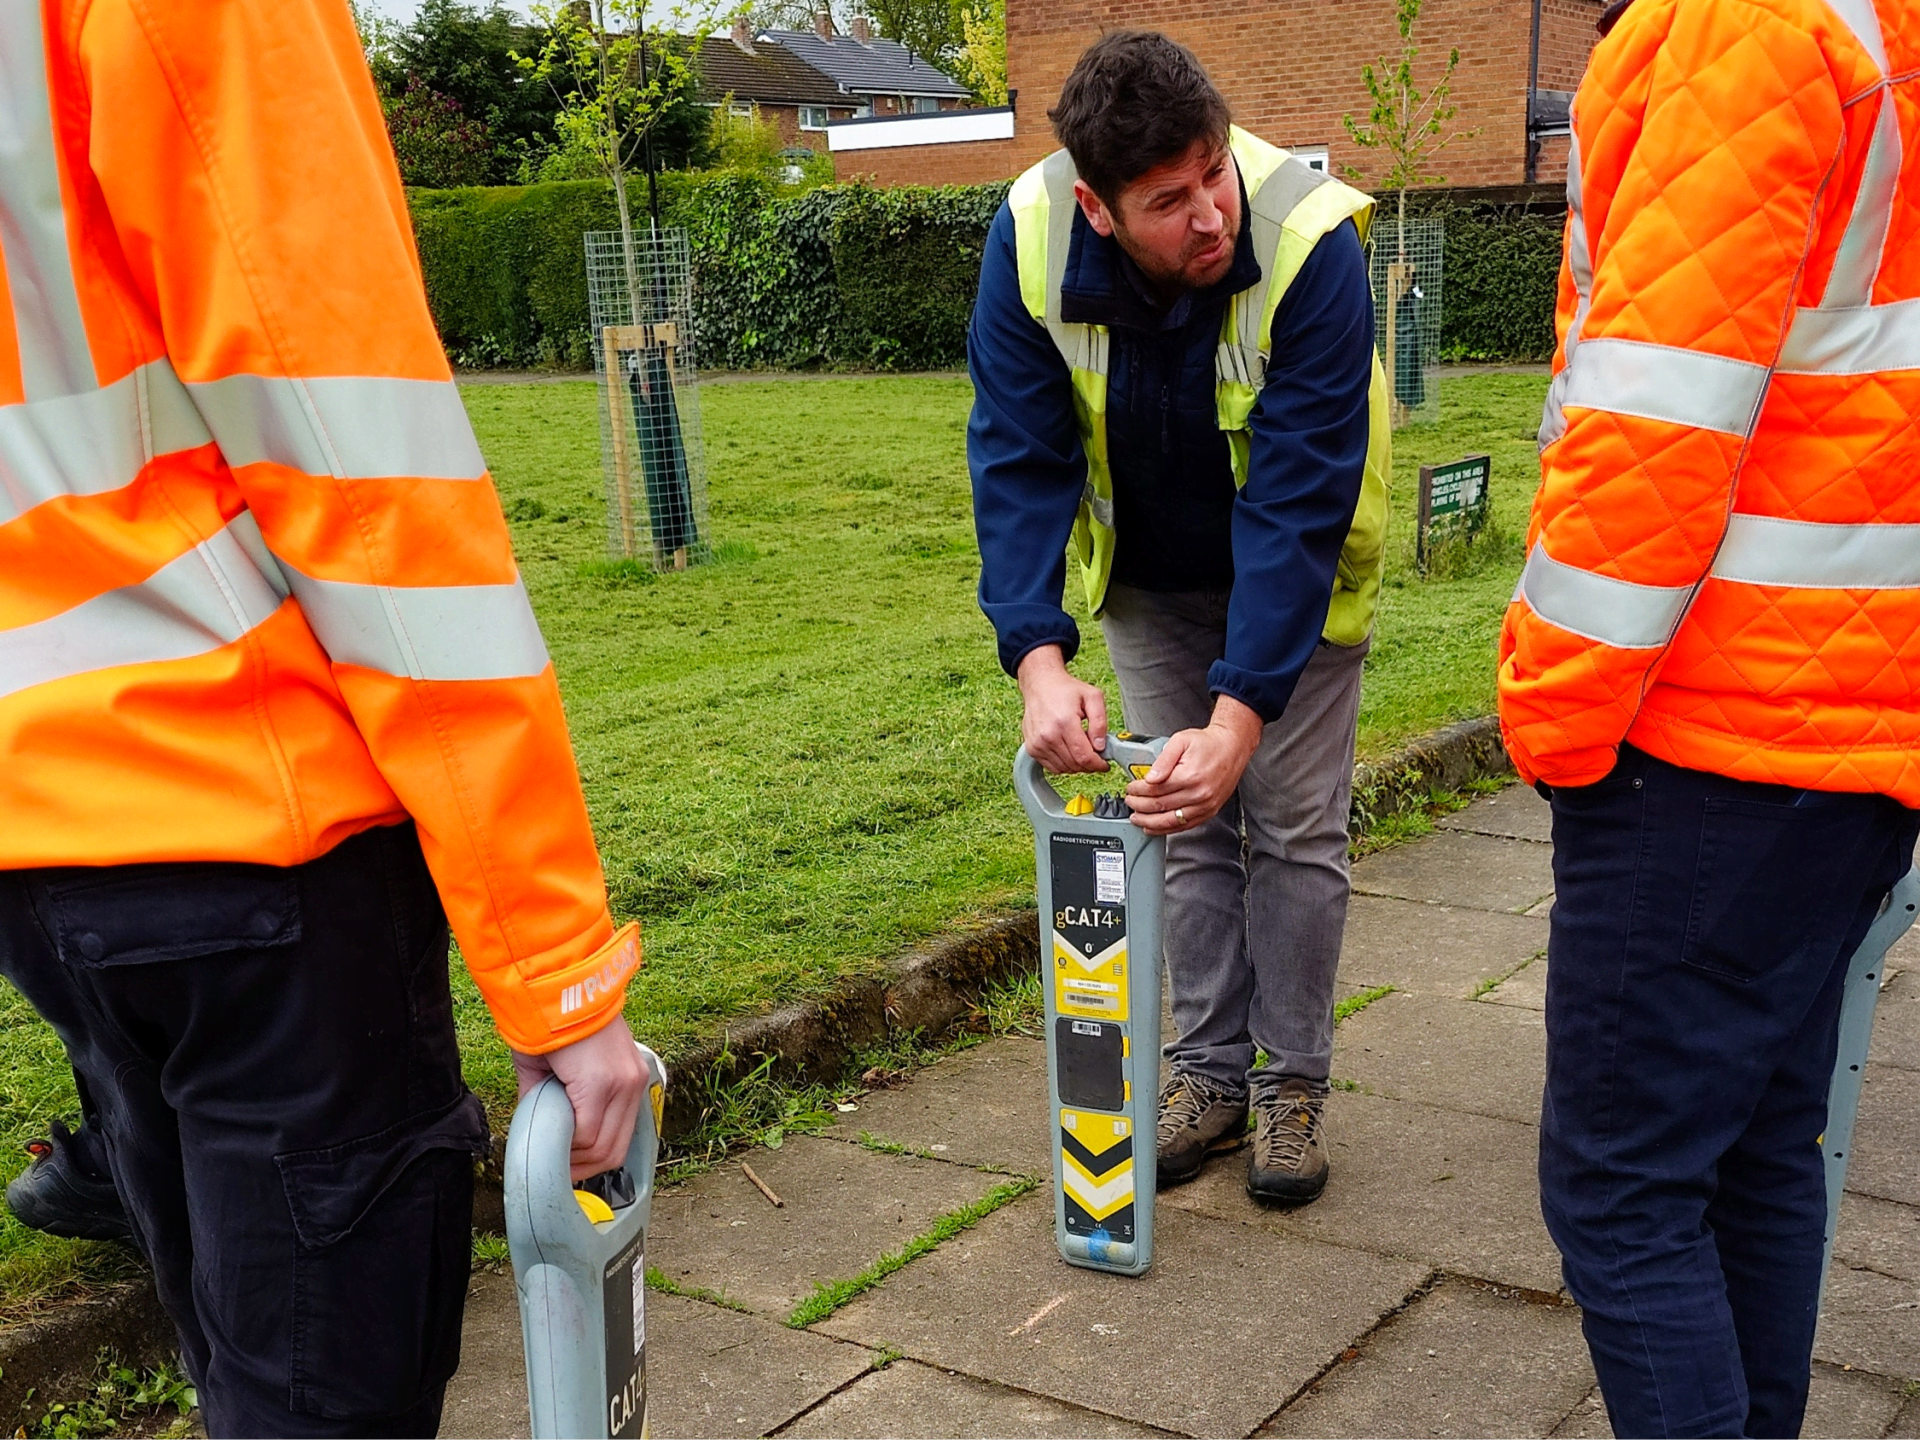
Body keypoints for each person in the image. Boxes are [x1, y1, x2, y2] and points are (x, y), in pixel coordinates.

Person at [0, 2, 649, 1434]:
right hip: (255, 832)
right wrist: (553, 971)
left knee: (239, 1359)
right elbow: (360, 465)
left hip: (45, 850)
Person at [1499, 0, 1920, 1434]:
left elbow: (1656, 421)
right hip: (1865, 716)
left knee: (1621, 1188)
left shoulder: (1741, 25)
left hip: (1715, 728)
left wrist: (1554, 715)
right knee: (1755, 1148)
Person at [969, 31, 1388, 1206]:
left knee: (1294, 828)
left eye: (1214, 174)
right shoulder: (1033, 235)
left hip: (1296, 574)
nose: (1210, 215)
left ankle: (1290, 1085)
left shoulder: (1312, 242)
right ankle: (1205, 1077)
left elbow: (1300, 503)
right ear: (1100, 213)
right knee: (1180, 821)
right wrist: (1036, 657)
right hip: (1152, 575)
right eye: (1169, 200)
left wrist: (1243, 712)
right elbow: (1018, 451)